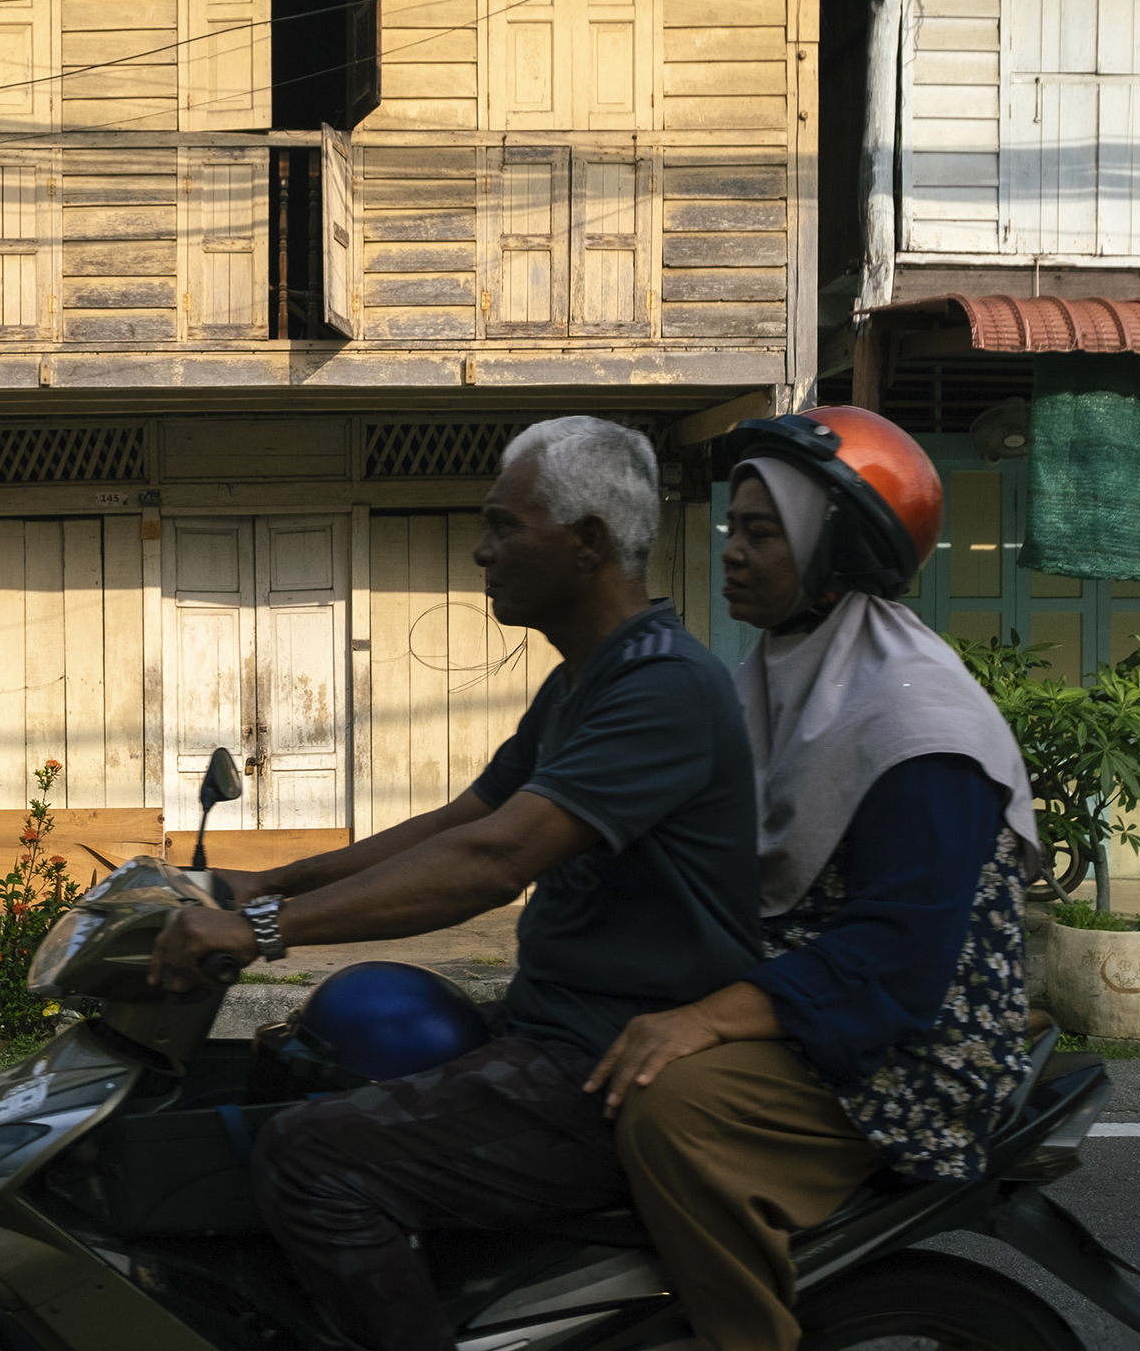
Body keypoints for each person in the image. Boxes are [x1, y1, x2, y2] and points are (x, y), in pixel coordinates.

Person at [149, 414, 765, 1351]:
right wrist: (261, 881)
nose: (481, 550)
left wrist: (266, 929)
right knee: (293, 1076)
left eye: (503, 526)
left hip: (607, 1063)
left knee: (311, 1159)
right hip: (551, 1030)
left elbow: (491, 863)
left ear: (588, 541)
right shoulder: (585, 682)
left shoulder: (664, 687)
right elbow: (461, 822)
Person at [584, 408, 1039, 1351]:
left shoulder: (915, 720)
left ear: (834, 547)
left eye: (763, 532)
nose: (733, 554)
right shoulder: (783, 673)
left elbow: (897, 961)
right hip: (823, 995)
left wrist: (703, 1018)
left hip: (915, 1047)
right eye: (731, 531)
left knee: (674, 1114)